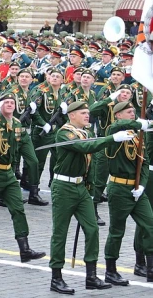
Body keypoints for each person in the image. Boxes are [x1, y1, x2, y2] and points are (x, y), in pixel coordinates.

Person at [49, 101, 134, 294]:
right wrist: (112, 138)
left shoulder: (86, 132)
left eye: (88, 113)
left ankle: (91, 275)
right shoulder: (65, 132)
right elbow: (86, 147)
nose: (88, 116)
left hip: (81, 187)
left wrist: (91, 187)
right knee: (60, 233)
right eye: (83, 113)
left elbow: (92, 162)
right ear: (72, 115)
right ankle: (56, 277)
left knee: (93, 229)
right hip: (63, 187)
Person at [0, 92, 45, 265]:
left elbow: (27, 149)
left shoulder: (18, 124)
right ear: (0, 106)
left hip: (8, 174)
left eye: (12, 102)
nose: (10, 104)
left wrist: (33, 164)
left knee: (18, 209)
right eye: (6, 102)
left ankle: (25, 249)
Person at [103, 101, 153, 284]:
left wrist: (142, 185)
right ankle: (110, 270)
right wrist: (141, 123)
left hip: (137, 189)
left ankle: (149, 268)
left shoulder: (136, 136)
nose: (132, 114)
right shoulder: (115, 132)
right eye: (128, 112)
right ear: (118, 115)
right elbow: (116, 126)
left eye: (133, 111)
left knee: (150, 225)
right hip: (119, 188)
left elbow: (144, 162)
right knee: (117, 231)